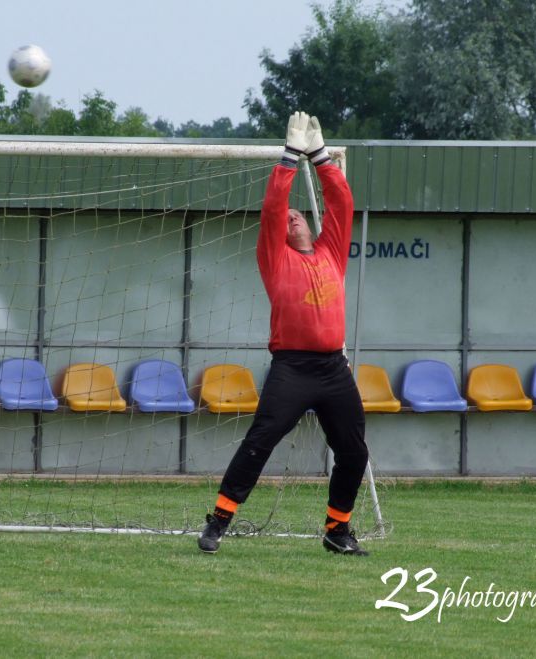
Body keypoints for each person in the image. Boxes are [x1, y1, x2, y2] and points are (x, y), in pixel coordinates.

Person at [198, 112, 369, 556]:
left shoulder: (332, 253)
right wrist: (290, 158)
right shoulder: (276, 259)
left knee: (353, 452)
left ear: (312, 226)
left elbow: (342, 203)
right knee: (260, 443)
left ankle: (337, 529)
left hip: (334, 369)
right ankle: (219, 521)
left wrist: (320, 155)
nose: (292, 217)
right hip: (292, 369)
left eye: (299, 215)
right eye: (287, 217)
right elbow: (275, 205)